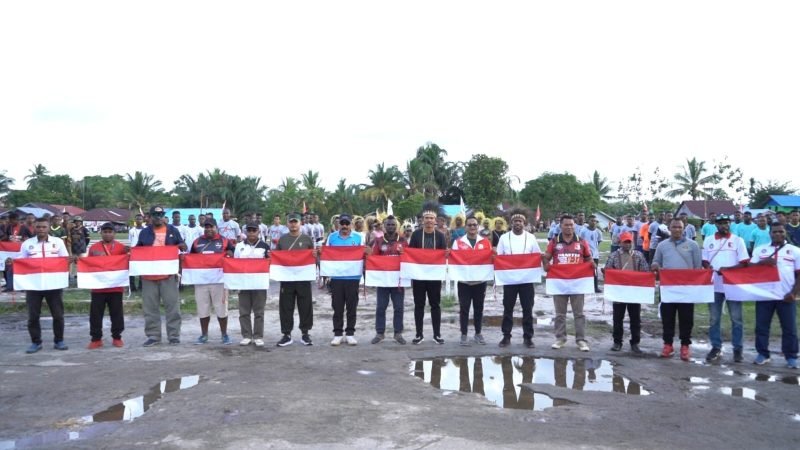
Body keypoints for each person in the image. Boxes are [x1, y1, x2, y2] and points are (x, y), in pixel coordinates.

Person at [651, 218, 703, 361]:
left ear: (684, 228)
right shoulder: (662, 246)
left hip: (687, 288)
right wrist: (655, 265)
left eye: (679, 227)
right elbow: (656, 261)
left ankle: (685, 345)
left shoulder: (693, 245)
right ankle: (668, 345)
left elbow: (698, 267)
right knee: (667, 317)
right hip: (668, 287)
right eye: (674, 227)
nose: (677, 230)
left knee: (686, 318)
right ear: (669, 228)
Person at [136, 206, 187, 347]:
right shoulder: (144, 233)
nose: (158, 217)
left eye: (161, 214)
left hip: (168, 275)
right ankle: (153, 336)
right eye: (155, 214)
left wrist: (183, 245)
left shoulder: (172, 230)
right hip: (148, 277)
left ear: (164, 215)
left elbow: (183, 246)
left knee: (172, 307)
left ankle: (174, 335)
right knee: (150, 308)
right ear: (150, 216)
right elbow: (138, 250)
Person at [750, 222, 799, 368]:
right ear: (769, 233)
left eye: (781, 231)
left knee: (789, 328)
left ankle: (791, 356)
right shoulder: (760, 250)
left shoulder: (795, 250)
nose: (778, 234)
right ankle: (763, 354)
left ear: (785, 233)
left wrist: (794, 293)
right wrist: (763, 262)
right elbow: (750, 269)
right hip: (765, 295)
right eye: (775, 232)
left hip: (786, 296)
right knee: (761, 327)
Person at [702, 214, 750, 363]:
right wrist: (708, 267)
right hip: (715, 285)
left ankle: (737, 349)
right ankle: (716, 347)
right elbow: (704, 260)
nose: (724, 225)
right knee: (714, 319)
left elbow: (744, 263)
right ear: (716, 225)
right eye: (721, 223)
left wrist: (728, 270)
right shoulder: (709, 240)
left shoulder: (737, 240)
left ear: (730, 224)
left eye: (727, 223)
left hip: (732, 285)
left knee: (737, 319)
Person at [543, 214, 593, 351]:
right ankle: (560, 338)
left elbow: (589, 259)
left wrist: (591, 264)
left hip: (577, 282)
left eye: (571, 225)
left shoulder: (582, 241)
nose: (569, 227)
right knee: (560, 313)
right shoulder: (554, 241)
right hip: (559, 282)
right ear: (561, 226)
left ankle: (581, 340)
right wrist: (546, 264)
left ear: (574, 226)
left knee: (579, 313)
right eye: (566, 225)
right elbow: (546, 258)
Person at [20, 217, 71, 353]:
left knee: (58, 315)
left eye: (44, 227)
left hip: (53, 284)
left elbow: (65, 260)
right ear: (34, 228)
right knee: (33, 316)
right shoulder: (27, 244)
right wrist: (11, 262)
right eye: (38, 227)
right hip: (33, 285)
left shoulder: (58, 242)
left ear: (49, 228)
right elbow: (21, 262)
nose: (41, 229)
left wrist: (71, 260)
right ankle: (36, 342)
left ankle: (59, 340)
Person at [496, 208, 541, 348]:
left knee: (527, 308)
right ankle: (506, 336)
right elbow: (499, 257)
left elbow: (537, 255)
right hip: (509, 280)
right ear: (511, 223)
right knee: (507, 308)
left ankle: (528, 337)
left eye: (520, 221)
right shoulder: (504, 238)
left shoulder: (531, 237)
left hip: (526, 280)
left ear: (524, 223)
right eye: (515, 221)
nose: (517, 223)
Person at [190, 218, 235, 345]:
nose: (209, 229)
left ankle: (224, 335)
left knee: (221, 308)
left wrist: (230, 253)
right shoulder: (197, 242)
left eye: (211, 227)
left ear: (216, 227)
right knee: (202, 308)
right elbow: (191, 258)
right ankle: (204, 335)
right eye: (206, 227)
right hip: (201, 281)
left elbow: (233, 254)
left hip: (219, 281)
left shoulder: (225, 241)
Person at [409, 202, 448, 345]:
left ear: (435, 220)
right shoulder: (416, 234)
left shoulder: (440, 236)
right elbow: (410, 253)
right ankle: (419, 334)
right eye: (426, 218)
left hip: (434, 276)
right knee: (419, 304)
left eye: (432, 218)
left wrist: (447, 253)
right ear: (422, 220)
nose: (429, 220)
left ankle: (437, 334)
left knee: (435, 304)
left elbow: (444, 254)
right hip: (419, 276)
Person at [604, 232, 649, 353]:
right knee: (618, 318)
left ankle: (635, 343)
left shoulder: (638, 255)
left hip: (634, 292)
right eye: (625, 242)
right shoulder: (614, 256)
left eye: (629, 242)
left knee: (635, 319)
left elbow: (645, 271)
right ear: (620, 242)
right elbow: (608, 270)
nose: (627, 244)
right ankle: (617, 342)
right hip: (619, 291)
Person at [276, 212, 315, 347]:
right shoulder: (282, 240)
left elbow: (313, 257)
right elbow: (277, 258)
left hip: (303, 278)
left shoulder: (307, 239)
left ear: (300, 223)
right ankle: (286, 334)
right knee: (286, 306)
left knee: (305, 305)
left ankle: (305, 333)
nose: (293, 224)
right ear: (287, 223)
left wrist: (316, 255)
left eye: (295, 222)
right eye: (291, 222)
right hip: (286, 279)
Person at [86, 223, 128, 349]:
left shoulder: (121, 247)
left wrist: (129, 253)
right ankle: (96, 338)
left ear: (114, 233)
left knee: (116, 313)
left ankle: (117, 337)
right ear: (101, 233)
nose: (107, 234)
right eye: (105, 232)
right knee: (95, 314)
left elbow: (127, 263)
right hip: (98, 287)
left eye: (110, 232)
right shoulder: (94, 248)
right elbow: (89, 265)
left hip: (115, 286)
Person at [325, 213, 364, 346]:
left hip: (353, 277)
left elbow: (364, 255)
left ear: (351, 224)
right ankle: (337, 333)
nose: (345, 226)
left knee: (352, 307)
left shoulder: (359, 237)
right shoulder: (332, 237)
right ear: (338, 224)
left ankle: (350, 333)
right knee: (337, 307)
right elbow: (326, 255)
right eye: (342, 223)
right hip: (336, 278)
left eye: (347, 223)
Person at [452, 215, 491, 346]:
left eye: (474, 225)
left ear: (478, 226)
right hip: (464, 282)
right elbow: (453, 260)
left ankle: (478, 333)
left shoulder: (485, 242)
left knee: (478, 308)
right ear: (465, 227)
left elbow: (490, 259)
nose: (472, 227)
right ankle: (464, 334)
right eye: (469, 225)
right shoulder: (458, 242)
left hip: (480, 282)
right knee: (464, 308)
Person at [367, 215, 407, 345]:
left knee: (399, 308)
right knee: (381, 307)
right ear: (384, 226)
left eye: (393, 224)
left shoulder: (403, 240)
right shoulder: (378, 241)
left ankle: (398, 333)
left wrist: (404, 255)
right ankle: (380, 333)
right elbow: (374, 259)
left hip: (398, 281)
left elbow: (408, 258)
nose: (390, 227)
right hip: (383, 280)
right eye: (388, 224)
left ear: (397, 226)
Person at [232, 221, 270, 347]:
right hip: (244, 282)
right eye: (249, 230)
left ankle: (258, 336)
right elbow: (235, 263)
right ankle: (247, 335)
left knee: (259, 311)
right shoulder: (239, 246)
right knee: (244, 311)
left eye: (254, 230)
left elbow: (269, 263)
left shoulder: (265, 246)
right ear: (245, 232)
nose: (252, 233)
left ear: (259, 232)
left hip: (259, 283)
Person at [580, 215, 603, 293]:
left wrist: (594, 249)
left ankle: (595, 287)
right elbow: (580, 242)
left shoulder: (598, 232)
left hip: (595, 255)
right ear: (588, 221)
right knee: (584, 271)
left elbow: (599, 241)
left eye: (594, 221)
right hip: (585, 255)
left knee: (594, 271)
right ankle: (584, 286)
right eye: (591, 220)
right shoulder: (583, 231)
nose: (593, 222)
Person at [128, 213, 145, 292]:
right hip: (134, 251)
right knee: (132, 269)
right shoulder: (131, 230)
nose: (139, 220)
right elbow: (130, 241)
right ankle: (132, 286)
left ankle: (141, 286)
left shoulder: (145, 229)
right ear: (135, 220)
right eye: (137, 219)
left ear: (143, 220)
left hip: (143, 251)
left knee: (142, 269)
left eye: (140, 219)